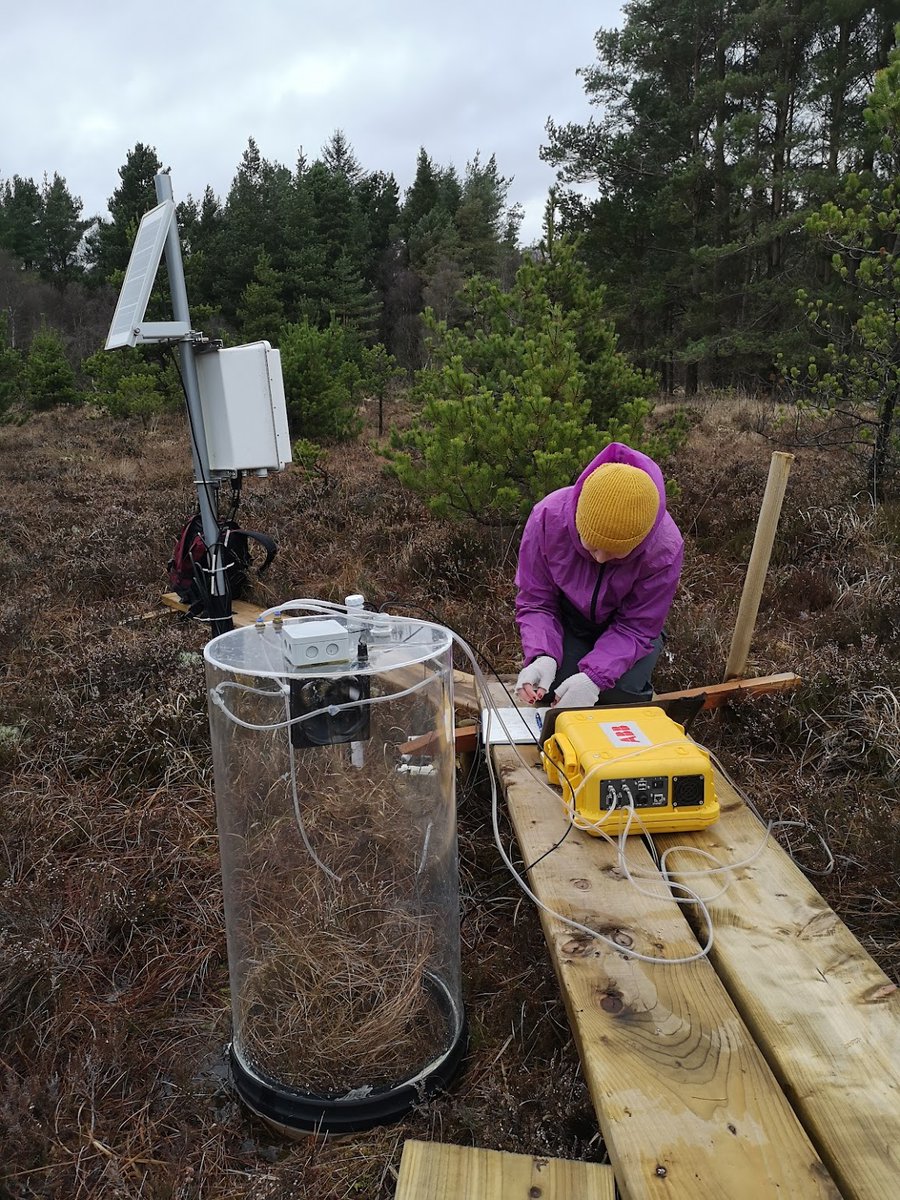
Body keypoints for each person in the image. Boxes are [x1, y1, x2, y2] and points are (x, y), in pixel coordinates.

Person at [514, 442, 683, 708]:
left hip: (630, 628)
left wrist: (594, 677)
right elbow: (536, 601)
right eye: (590, 545)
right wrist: (542, 655)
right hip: (569, 620)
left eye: (618, 553)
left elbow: (638, 626)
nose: (600, 558)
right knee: (550, 691)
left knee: (621, 697)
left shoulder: (664, 548)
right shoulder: (547, 518)